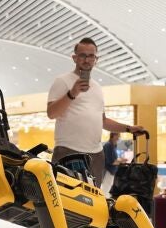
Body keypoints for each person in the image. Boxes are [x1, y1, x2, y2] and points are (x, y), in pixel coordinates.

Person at [46, 37, 144, 186]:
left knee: (94, 199)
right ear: (74, 58)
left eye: (91, 56)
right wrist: (72, 93)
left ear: (96, 60)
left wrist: (129, 128)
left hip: (96, 155)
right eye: (82, 55)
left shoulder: (97, 87)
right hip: (68, 151)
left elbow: (103, 121)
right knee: (66, 198)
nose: (87, 60)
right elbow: (51, 113)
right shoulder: (62, 81)